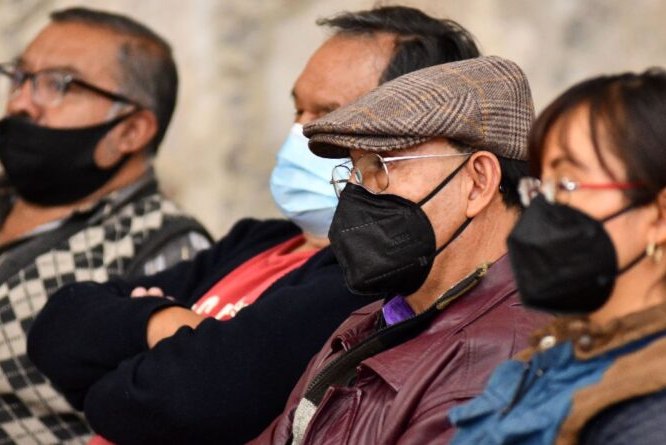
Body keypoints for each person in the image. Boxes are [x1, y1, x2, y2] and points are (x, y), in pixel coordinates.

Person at [27, 6, 483, 444]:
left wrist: (116, 364)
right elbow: (57, 327)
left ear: (412, 137)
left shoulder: (366, 283)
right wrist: (164, 322)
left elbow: (191, 400)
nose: (300, 133)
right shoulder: (257, 240)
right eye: (298, 111)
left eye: (328, 115)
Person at [449, 70, 666, 444]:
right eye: (542, 185)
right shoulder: (573, 353)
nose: (542, 209)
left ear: (664, 216)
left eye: (567, 184)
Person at [251, 56, 551, 445]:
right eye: (353, 172)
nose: (355, 193)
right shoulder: (376, 318)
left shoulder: (500, 362)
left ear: (478, 181)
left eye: (380, 167)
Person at [0, 7, 211, 444]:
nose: (21, 102)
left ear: (131, 130)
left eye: (58, 84)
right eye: (20, 77)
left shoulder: (167, 248)